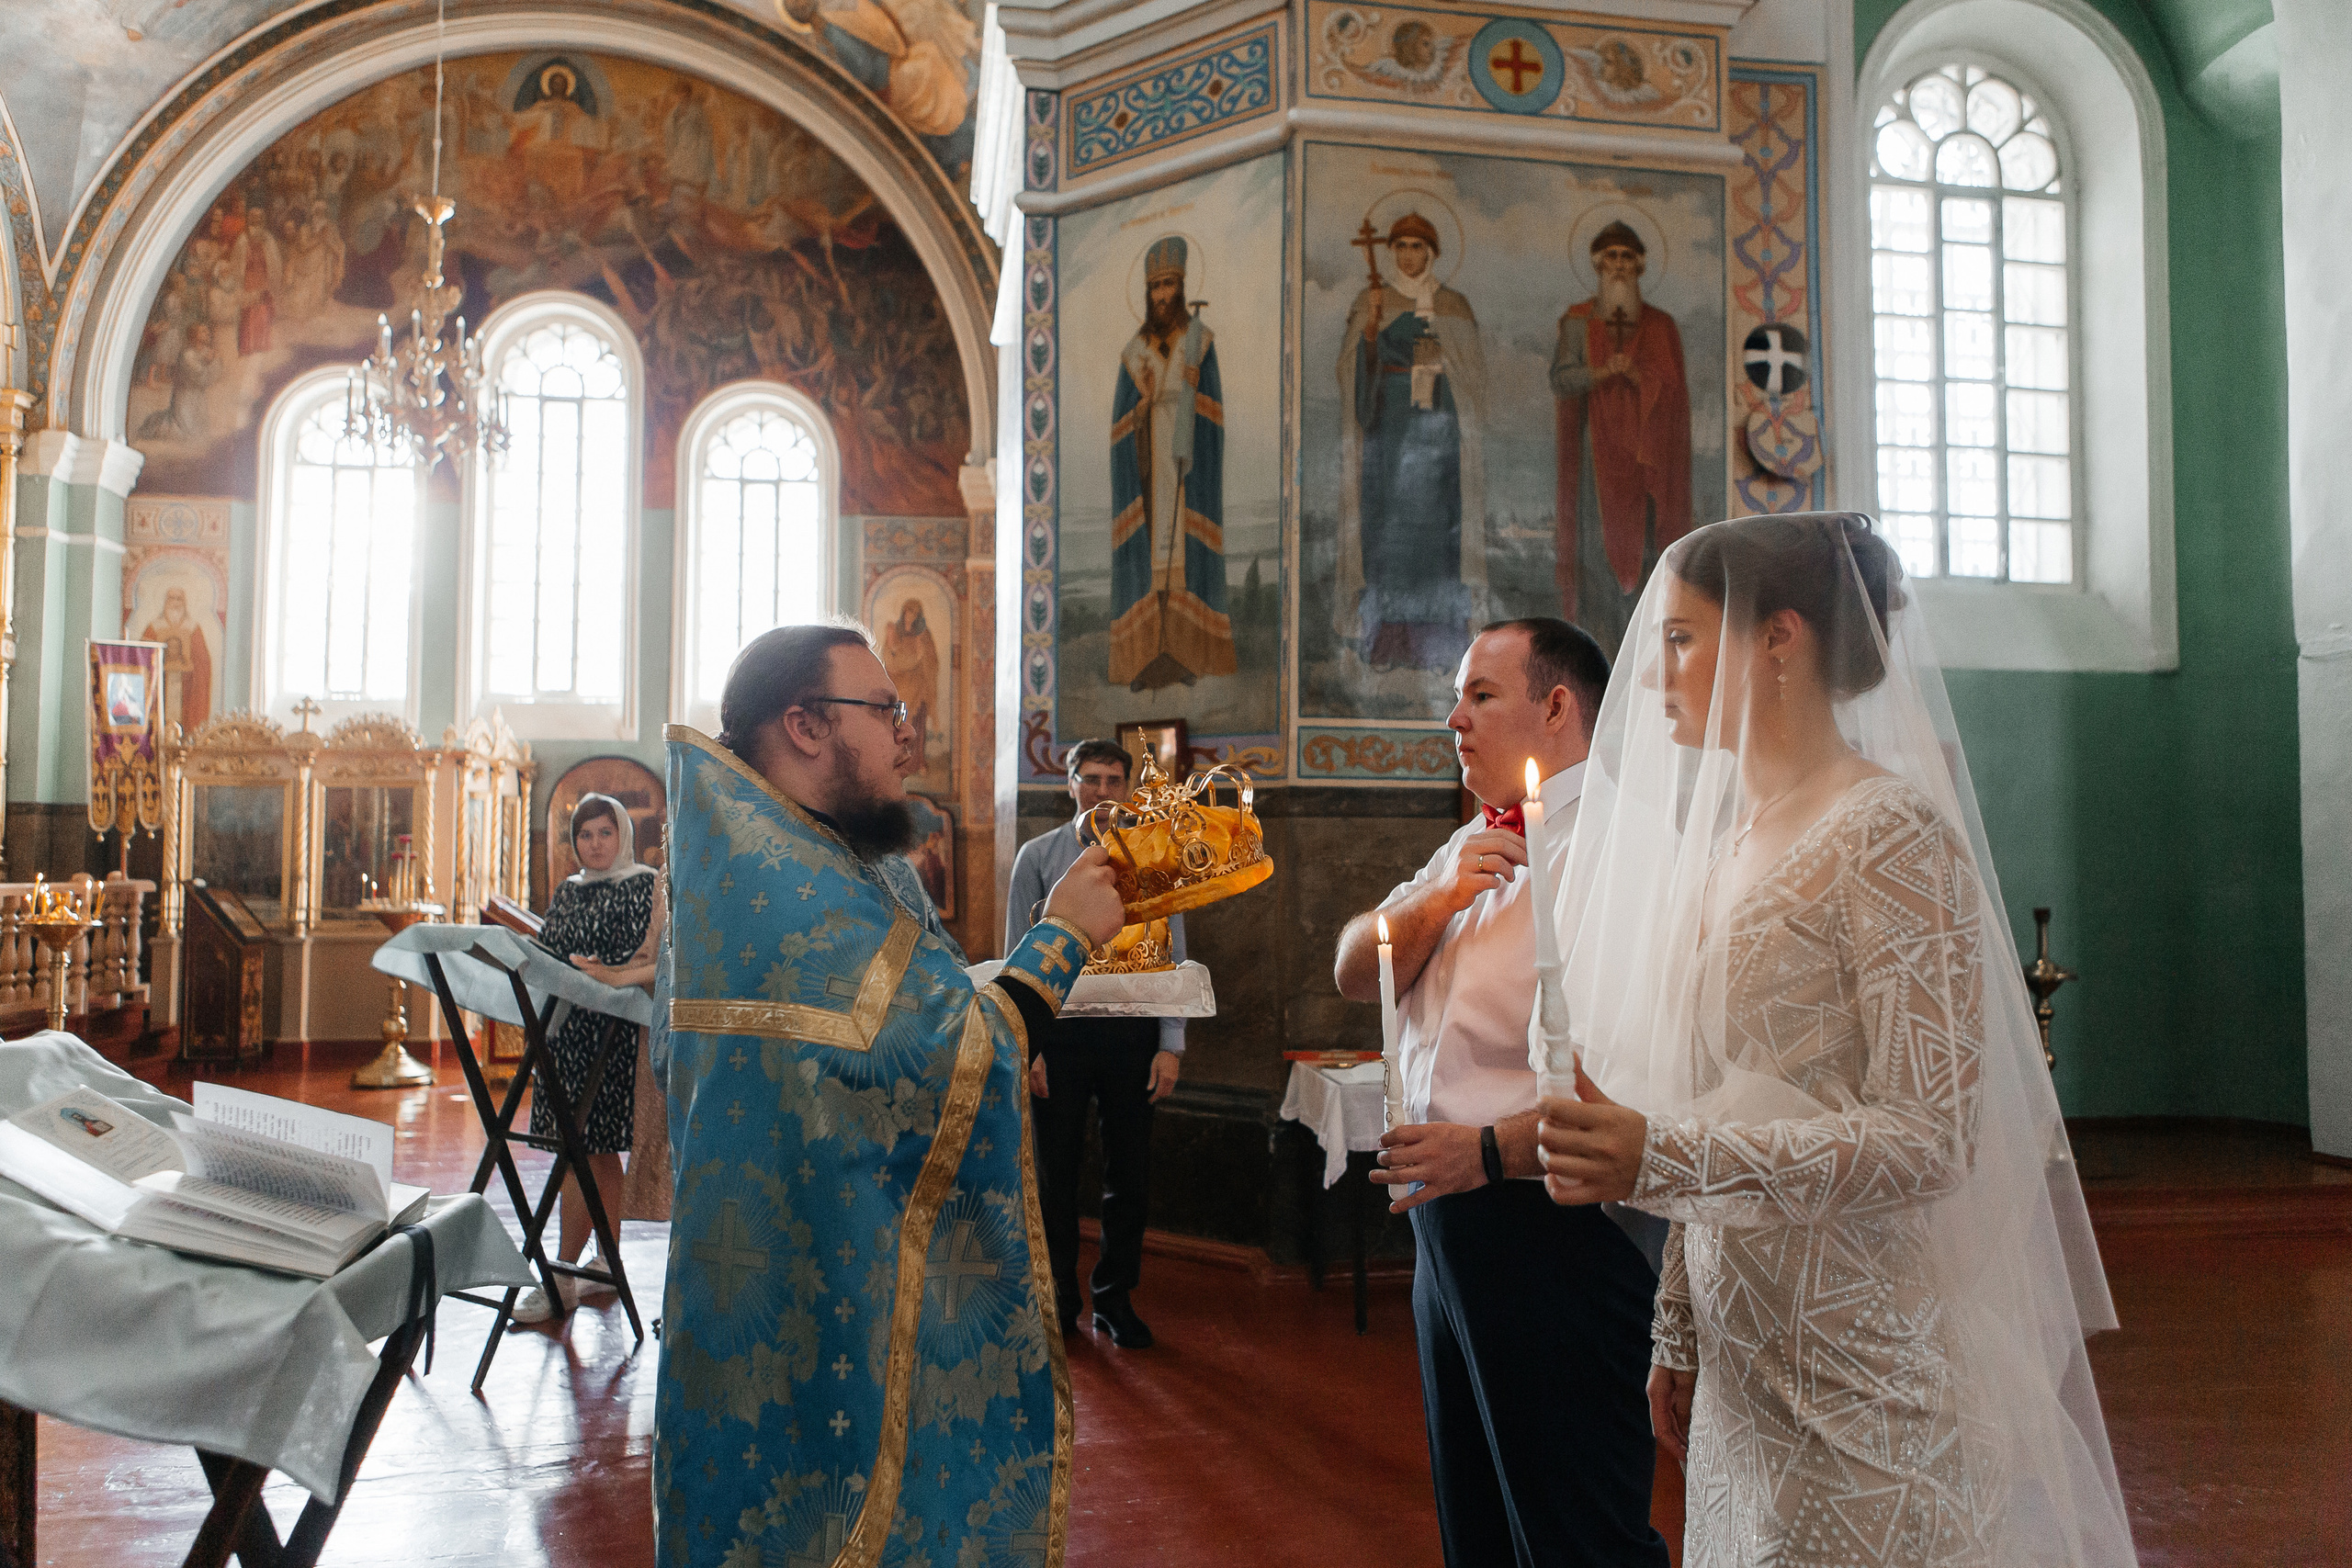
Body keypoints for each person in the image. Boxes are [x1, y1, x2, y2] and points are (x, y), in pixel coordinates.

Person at [1534, 513, 2136, 1567]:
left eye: (1681, 638)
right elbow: (1718, 1095)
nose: (1653, 674)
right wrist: (1679, 1324)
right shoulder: (1728, 842)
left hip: (1866, 1370)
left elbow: (1929, 1138)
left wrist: (1660, 1155)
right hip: (1746, 1373)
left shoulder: (1887, 834)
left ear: (1780, 636)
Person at [651, 621, 1125, 1568]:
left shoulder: (793, 861)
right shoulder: (786, 888)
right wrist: (1062, 936)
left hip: (803, 1274)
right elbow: (943, 1056)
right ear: (805, 724)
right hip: (815, 1310)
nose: (908, 736)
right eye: (886, 711)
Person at [1333, 617, 1669, 1568]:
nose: (1455, 718)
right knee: (1478, 1524)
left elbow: (1633, 1083)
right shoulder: (1470, 843)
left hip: (1555, 1229)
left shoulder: (1621, 851)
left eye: (1480, 695)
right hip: (1449, 1226)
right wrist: (1436, 900)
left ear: (1556, 706)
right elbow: (1355, 968)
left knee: (1578, 1535)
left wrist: (1484, 1151)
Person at [1006, 739, 1186, 1348]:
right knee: (1054, 1174)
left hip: (1133, 1033)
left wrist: (1171, 1043)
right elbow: (1017, 951)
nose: (1101, 790)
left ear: (1127, 788)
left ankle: (1115, 1297)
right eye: (1090, 778)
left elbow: (1173, 953)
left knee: (1129, 1174)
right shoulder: (1037, 856)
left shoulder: (1153, 856)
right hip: (1058, 1033)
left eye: (1113, 780)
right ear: (1071, 784)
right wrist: (1027, 1044)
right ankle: (1058, 1297)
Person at [513, 793, 664, 1324]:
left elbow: (641, 956)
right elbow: (550, 951)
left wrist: (603, 970)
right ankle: (602, 1265)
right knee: (583, 1153)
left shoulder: (644, 885)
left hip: (612, 1036)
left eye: (605, 832)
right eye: (585, 834)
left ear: (623, 835)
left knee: (589, 1150)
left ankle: (564, 1274)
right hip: (563, 1035)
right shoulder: (568, 890)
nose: (595, 844)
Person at [1335, 212, 1488, 673]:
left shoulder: (1454, 304)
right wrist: (1370, 334)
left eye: (1417, 246)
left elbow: (1472, 374)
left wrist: (1439, 357)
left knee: (1437, 539)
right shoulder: (1371, 300)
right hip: (1388, 436)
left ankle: (1439, 647)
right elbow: (1349, 371)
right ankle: (1388, 643)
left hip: (1438, 438)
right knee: (1387, 538)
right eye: (1400, 246)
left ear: (1432, 253)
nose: (1407, 255)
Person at [1551, 220, 1692, 652]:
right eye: (1610, 257)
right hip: (1595, 462)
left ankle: (1643, 652)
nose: (1618, 265)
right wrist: (1599, 373)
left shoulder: (1660, 326)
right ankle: (1598, 651)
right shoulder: (1577, 322)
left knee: (1648, 556)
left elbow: (1673, 394)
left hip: (1645, 466)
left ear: (1640, 266)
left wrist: (1637, 375)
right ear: (1598, 264)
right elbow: (1562, 379)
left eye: (1627, 258)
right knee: (1594, 553)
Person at [1110, 235, 1235, 691]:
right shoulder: (1134, 352)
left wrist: (1194, 395)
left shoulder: (1199, 343)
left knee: (1186, 562)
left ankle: (1186, 654)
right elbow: (1121, 426)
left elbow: (1214, 413)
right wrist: (1142, 405)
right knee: (1151, 562)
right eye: (1155, 287)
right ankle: (1149, 654)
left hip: (1188, 471)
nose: (1162, 294)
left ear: (1181, 288)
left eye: (1169, 284)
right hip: (1148, 476)